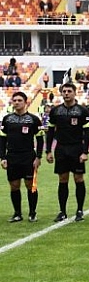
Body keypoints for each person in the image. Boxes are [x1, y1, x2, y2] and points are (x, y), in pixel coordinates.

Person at [45, 82, 89, 222]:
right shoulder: (55, 111)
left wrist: (85, 152)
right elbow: (50, 132)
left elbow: (87, 133)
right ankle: (63, 211)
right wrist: (48, 151)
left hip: (76, 148)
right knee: (62, 179)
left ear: (74, 93)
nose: (66, 93)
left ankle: (79, 210)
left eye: (69, 91)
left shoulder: (82, 111)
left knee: (78, 178)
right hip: (61, 148)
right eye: (64, 91)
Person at [0, 92, 43, 222]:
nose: (17, 102)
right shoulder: (7, 119)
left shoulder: (33, 119)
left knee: (31, 185)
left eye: (19, 100)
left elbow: (40, 140)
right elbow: (2, 140)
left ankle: (32, 213)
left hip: (28, 156)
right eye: (15, 100)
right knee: (14, 185)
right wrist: (3, 157)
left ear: (26, 102)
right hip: (12, 156)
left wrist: (38, 157)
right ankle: (17, 213)